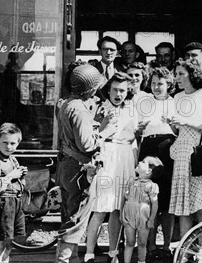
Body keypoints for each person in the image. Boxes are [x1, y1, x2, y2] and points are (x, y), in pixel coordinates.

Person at [84, 72, 138, 263]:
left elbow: (133, 137)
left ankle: (113, 252)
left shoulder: (131, 110)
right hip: (107, 155)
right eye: (115, 89)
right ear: (109, 90)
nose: (118, 94)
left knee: (117, 209)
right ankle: (89, 252)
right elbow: (94, 135)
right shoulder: (100, 108)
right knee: (101, 208)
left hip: (125, 157)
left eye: (122, 90)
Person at [55, 63, 105, 263]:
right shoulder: (80, 110)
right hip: (79, 169)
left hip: (66, 166)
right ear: (91, 88)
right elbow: (86, 145)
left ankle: (71, 258)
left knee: (68, 214)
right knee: (76, 218)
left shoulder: (66, 104)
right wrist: (103, 130)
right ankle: (64, 259)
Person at [168, 59, 202, 237]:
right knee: (184, 205)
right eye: (176, 74)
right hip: (182, 153)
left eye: (181, 74)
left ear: (193, 75)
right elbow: (177, 130)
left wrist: (186, 121)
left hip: (199, 153)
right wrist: (171, 124)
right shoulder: (177, 97)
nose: (177, 78)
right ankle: (185, 249)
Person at [137, 67, 177, 260]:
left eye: (160, 83)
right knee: (148, 198)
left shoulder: (176, 102)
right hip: (148, 148)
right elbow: (135, 128)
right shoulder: (144, 101)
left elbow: (180, 129)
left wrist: (174, 123)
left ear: (169, 84)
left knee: (166, 201)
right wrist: (139, 128)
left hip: (168, 149)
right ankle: (150, 247)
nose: (156, 87)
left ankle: (167, 247)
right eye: (153, 83)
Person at [0, 123, 27, 263]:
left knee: (9, 244)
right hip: (2, 204)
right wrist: (11, 176)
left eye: (12, 143)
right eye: (5, 142)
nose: (9, 146)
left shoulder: (12, 159)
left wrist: (20, 175)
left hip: (14, 203)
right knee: (0, 245)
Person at [122, 157, 164, 263]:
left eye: (143, 162)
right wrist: (121, 213)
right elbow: (124, 198)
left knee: (142, 242)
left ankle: (141, 261)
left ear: (149, 170)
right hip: (129, 215)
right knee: (130, 241)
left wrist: (151, 219)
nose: (140, 162)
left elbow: (155, 204)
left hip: (143, 217)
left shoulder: (151, 186)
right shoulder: (131, 181)